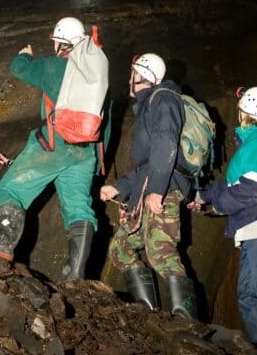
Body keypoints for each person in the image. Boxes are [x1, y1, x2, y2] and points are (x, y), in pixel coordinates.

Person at [0, 17, 110, 282]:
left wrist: (24, 55)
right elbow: (104, 126)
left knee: (8, 191)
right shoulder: (97, 78)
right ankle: (75, 276)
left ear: (60, 43)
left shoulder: (53, 65)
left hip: (53, 144)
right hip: (85, 153)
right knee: (79, 208)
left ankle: (1, 253)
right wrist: (98, 162)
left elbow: (19, 69)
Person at [190, 86, 257, 348]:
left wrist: (219, 207)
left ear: (246, 111)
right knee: (249, 294)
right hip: (254, 229)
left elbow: (253, 189)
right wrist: (203, 197)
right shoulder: (256, 142)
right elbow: (232, 186)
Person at [100, 53, 198, 318]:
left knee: (159, 250)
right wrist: (119, 188)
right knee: (120, 248)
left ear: (142, 75)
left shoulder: (164, 98)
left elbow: (166, 144)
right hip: (149, 186)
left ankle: (186, 318)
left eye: (132, 73)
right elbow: (145, 164)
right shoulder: (146, 107)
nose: (129, 79)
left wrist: (157, 188)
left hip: (164, 188)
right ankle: (148, 311)